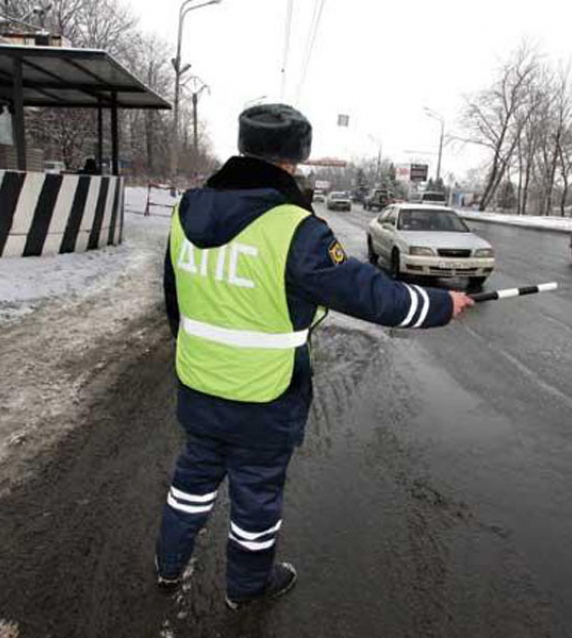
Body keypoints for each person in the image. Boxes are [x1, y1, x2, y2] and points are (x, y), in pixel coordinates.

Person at [155, 103, 475, 610]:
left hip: (198, 384)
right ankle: (246, 587)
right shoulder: (293, 228)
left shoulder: (186, 209)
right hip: (265, 394)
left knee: (191, 482)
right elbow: (373, 296)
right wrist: (441, 303)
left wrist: (196, 352)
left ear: (243, 147)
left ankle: (168, 565)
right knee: (255, 500)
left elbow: (174, 297)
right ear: (293, 162)